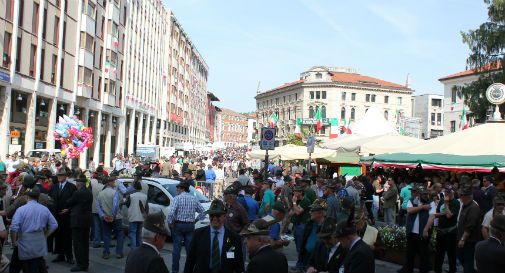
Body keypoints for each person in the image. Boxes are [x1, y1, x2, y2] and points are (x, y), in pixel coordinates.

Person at [184, 199, 244, 273]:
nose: (214, 218)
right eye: (212, 215)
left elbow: (239, 264)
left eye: (218, 215)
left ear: (224, 216)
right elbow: (190, 261)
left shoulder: (234, 238)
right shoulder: (198, 234)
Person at [10, 187, 58, 273]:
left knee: (23, 265)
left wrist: (14, 241)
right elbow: (54, 224)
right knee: (38, 262)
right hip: (39, 241)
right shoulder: (44, 209)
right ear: (38, 197)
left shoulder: (21, 210)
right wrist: (45, 235)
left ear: (27, 197)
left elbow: (14, 227)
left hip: (25, 241)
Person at [167, 180, 206, 273]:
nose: (177, 189)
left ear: (182, 188)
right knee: (190, 249)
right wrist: (196, 220)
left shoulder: (177, 198)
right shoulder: (193, 198)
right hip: (190, 225)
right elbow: (203, 212)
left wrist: (170, 223)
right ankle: (190, 269)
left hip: (179, 225)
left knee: (177, 249)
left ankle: (175, 270)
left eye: (178, 187)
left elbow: (171, 213)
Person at [398, 185, 435, 273]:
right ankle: (408, 269)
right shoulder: (412, 200)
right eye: (423, 194)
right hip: (412, 232)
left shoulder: (431, 202)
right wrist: (422, 207)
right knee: (410, 253)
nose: (425, 196)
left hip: (423, 232)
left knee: (423, 253)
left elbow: (432, 217)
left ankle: (424, 270)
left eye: (426, 194)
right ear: (419, 195)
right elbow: (409, 210)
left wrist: (426, 229)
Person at [334, 207, 375, 273]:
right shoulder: (353, 248)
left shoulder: (360, 253)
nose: (339, 242)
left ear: (348, 238)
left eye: (340, 239)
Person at [66, 174, 93, 272]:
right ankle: (85, 263)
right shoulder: (89, 192)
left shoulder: (78, 193)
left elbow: (69, 202)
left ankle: (80, 264)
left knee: (78, 244)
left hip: (77, 221)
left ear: (78, 184)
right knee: (85, 243)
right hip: (86, 220)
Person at [430, 185, 460, 273]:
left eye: (448, 192)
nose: (446, 194)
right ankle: (437, 270)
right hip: (440, 230)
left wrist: (446, 204)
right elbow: (438, 212)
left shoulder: (455, 202)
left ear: (452, 193)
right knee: (439, 253)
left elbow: (449, 215)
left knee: (451, 254)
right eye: (445, 192)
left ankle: (452, 270)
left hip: (450, 232)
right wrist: (442, 213)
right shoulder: (442, 201)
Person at [50, 167, 77, 264]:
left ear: (65, 176)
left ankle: (69, 256)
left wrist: (68, 210)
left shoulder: (72, 187)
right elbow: (50, 199)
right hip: (56, 216)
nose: (59, 177)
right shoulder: (54, 186)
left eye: (61, 175)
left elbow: (75, 202)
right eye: (58, 175)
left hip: (67, 216)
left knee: (67, 237)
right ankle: (60, 254)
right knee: (58, 236)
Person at [96, 175, 124, 259]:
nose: (114, 183)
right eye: (113, 181)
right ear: (109, 183)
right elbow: (115, 206)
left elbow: (98, 206)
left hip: (105, 217)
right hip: (116, 217)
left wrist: (103, 215)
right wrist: (113, 215)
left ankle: (106, 252)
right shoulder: (114, 192)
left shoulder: (101, 193)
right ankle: (119, 253)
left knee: (106, 235)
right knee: (119, 234)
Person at [456, 179, 481, 273]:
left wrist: (463, 239)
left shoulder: (474, 207)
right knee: (461, 258)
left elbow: (470, 226)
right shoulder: (465, 205)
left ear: (468, 196)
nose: (460, 197)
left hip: (470, 240)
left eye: (462, 195)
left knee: (468, 261)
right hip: (462, 238)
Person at [298, 199, 327, 272]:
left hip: (317, 262)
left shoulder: (327, 227)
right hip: (306, 258)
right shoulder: (309, 223)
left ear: (320, 213)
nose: (310, 212)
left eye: (312, 210)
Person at [127, 180, 148, 249]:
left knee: (132, 233)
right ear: (140, 188)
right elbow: (146, 208)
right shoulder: (145, 196)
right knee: (139, 234)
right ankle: (140, 248)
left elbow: (128, 204)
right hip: (141, 217)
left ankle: (133, 249)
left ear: (134, 188)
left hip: (133, 216)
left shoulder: (131, 196)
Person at [90, 172, 104, 248]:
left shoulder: (94, 186)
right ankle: (102, 240)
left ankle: (96, 241)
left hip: (94, 207)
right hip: (101, 209)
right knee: (103, 226)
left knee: (96, 226)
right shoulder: (103, 187)